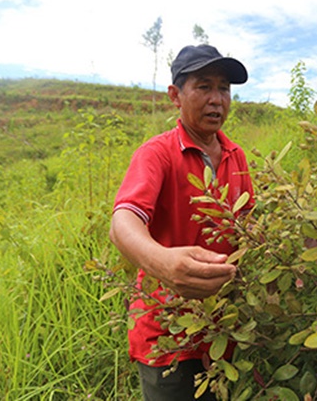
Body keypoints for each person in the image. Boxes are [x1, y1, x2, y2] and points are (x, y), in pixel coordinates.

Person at [109, 44, 254, 400]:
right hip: (167, 334)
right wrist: (163, 262)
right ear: (175, 95)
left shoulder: (237, 156)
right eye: (203, 87)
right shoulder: (157, 154)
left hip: (224, 331)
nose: (217, 99)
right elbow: (123, 221)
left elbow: (249, 227)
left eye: (224, 88)